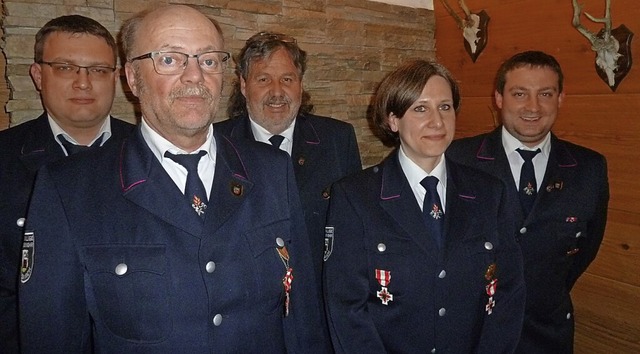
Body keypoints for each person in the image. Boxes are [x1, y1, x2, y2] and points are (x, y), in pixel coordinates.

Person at [18, 5, 329, 353]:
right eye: (170, 60)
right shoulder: (69, 189)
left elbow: (301, 316)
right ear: (133, 78)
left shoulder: (271, 170)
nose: (194, 75)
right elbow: (52, 336)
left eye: (208, 60)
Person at [323, 60, 526, 353]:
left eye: (445, 107)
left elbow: (508, 292)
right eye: (420, 108)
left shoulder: (489, 193)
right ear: (393, 119)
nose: (437, 122)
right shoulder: (356, 198)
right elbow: (346, 307)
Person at [446, 50, 609, 353]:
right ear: (499, 98)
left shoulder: (590, 168)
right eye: (519, 93)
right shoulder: (457, 160)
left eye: (545, 94)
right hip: (472, 333)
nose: (533, 107)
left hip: (548, 334)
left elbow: (585, 248)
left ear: (560, 98)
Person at [0, 15, 133, 353]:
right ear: (38, 75)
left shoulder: (150, 153)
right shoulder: (4, 160)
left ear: (116, 78)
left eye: (99, 70)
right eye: (65, 68)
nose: (84, 83)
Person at [214, 31, 362, 277]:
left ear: (301, 85)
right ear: (243, 85)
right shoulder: (218, 144)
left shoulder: (338, 139)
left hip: (318, 297)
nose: (277, 92)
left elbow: (355, 232)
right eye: (263, 80)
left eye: (287, 79)